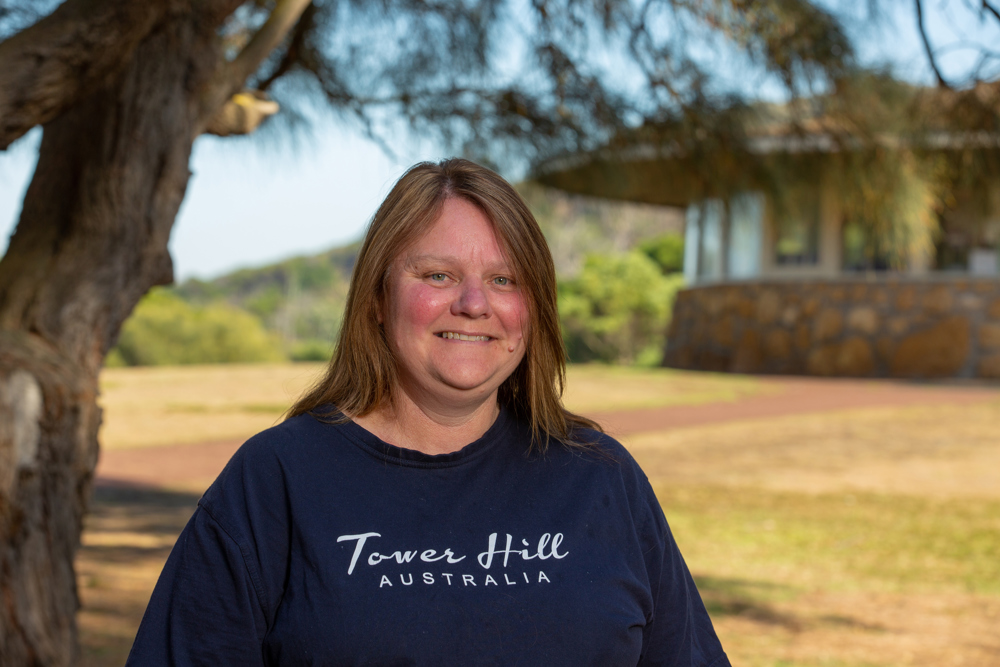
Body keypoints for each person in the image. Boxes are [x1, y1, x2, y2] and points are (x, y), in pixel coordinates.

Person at [126, 158, 731, 666]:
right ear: (377, 301)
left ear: (535, 309)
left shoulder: (601, 477)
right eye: (437, 275)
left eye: (505, 280)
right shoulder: (275, 479)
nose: (473, 304)